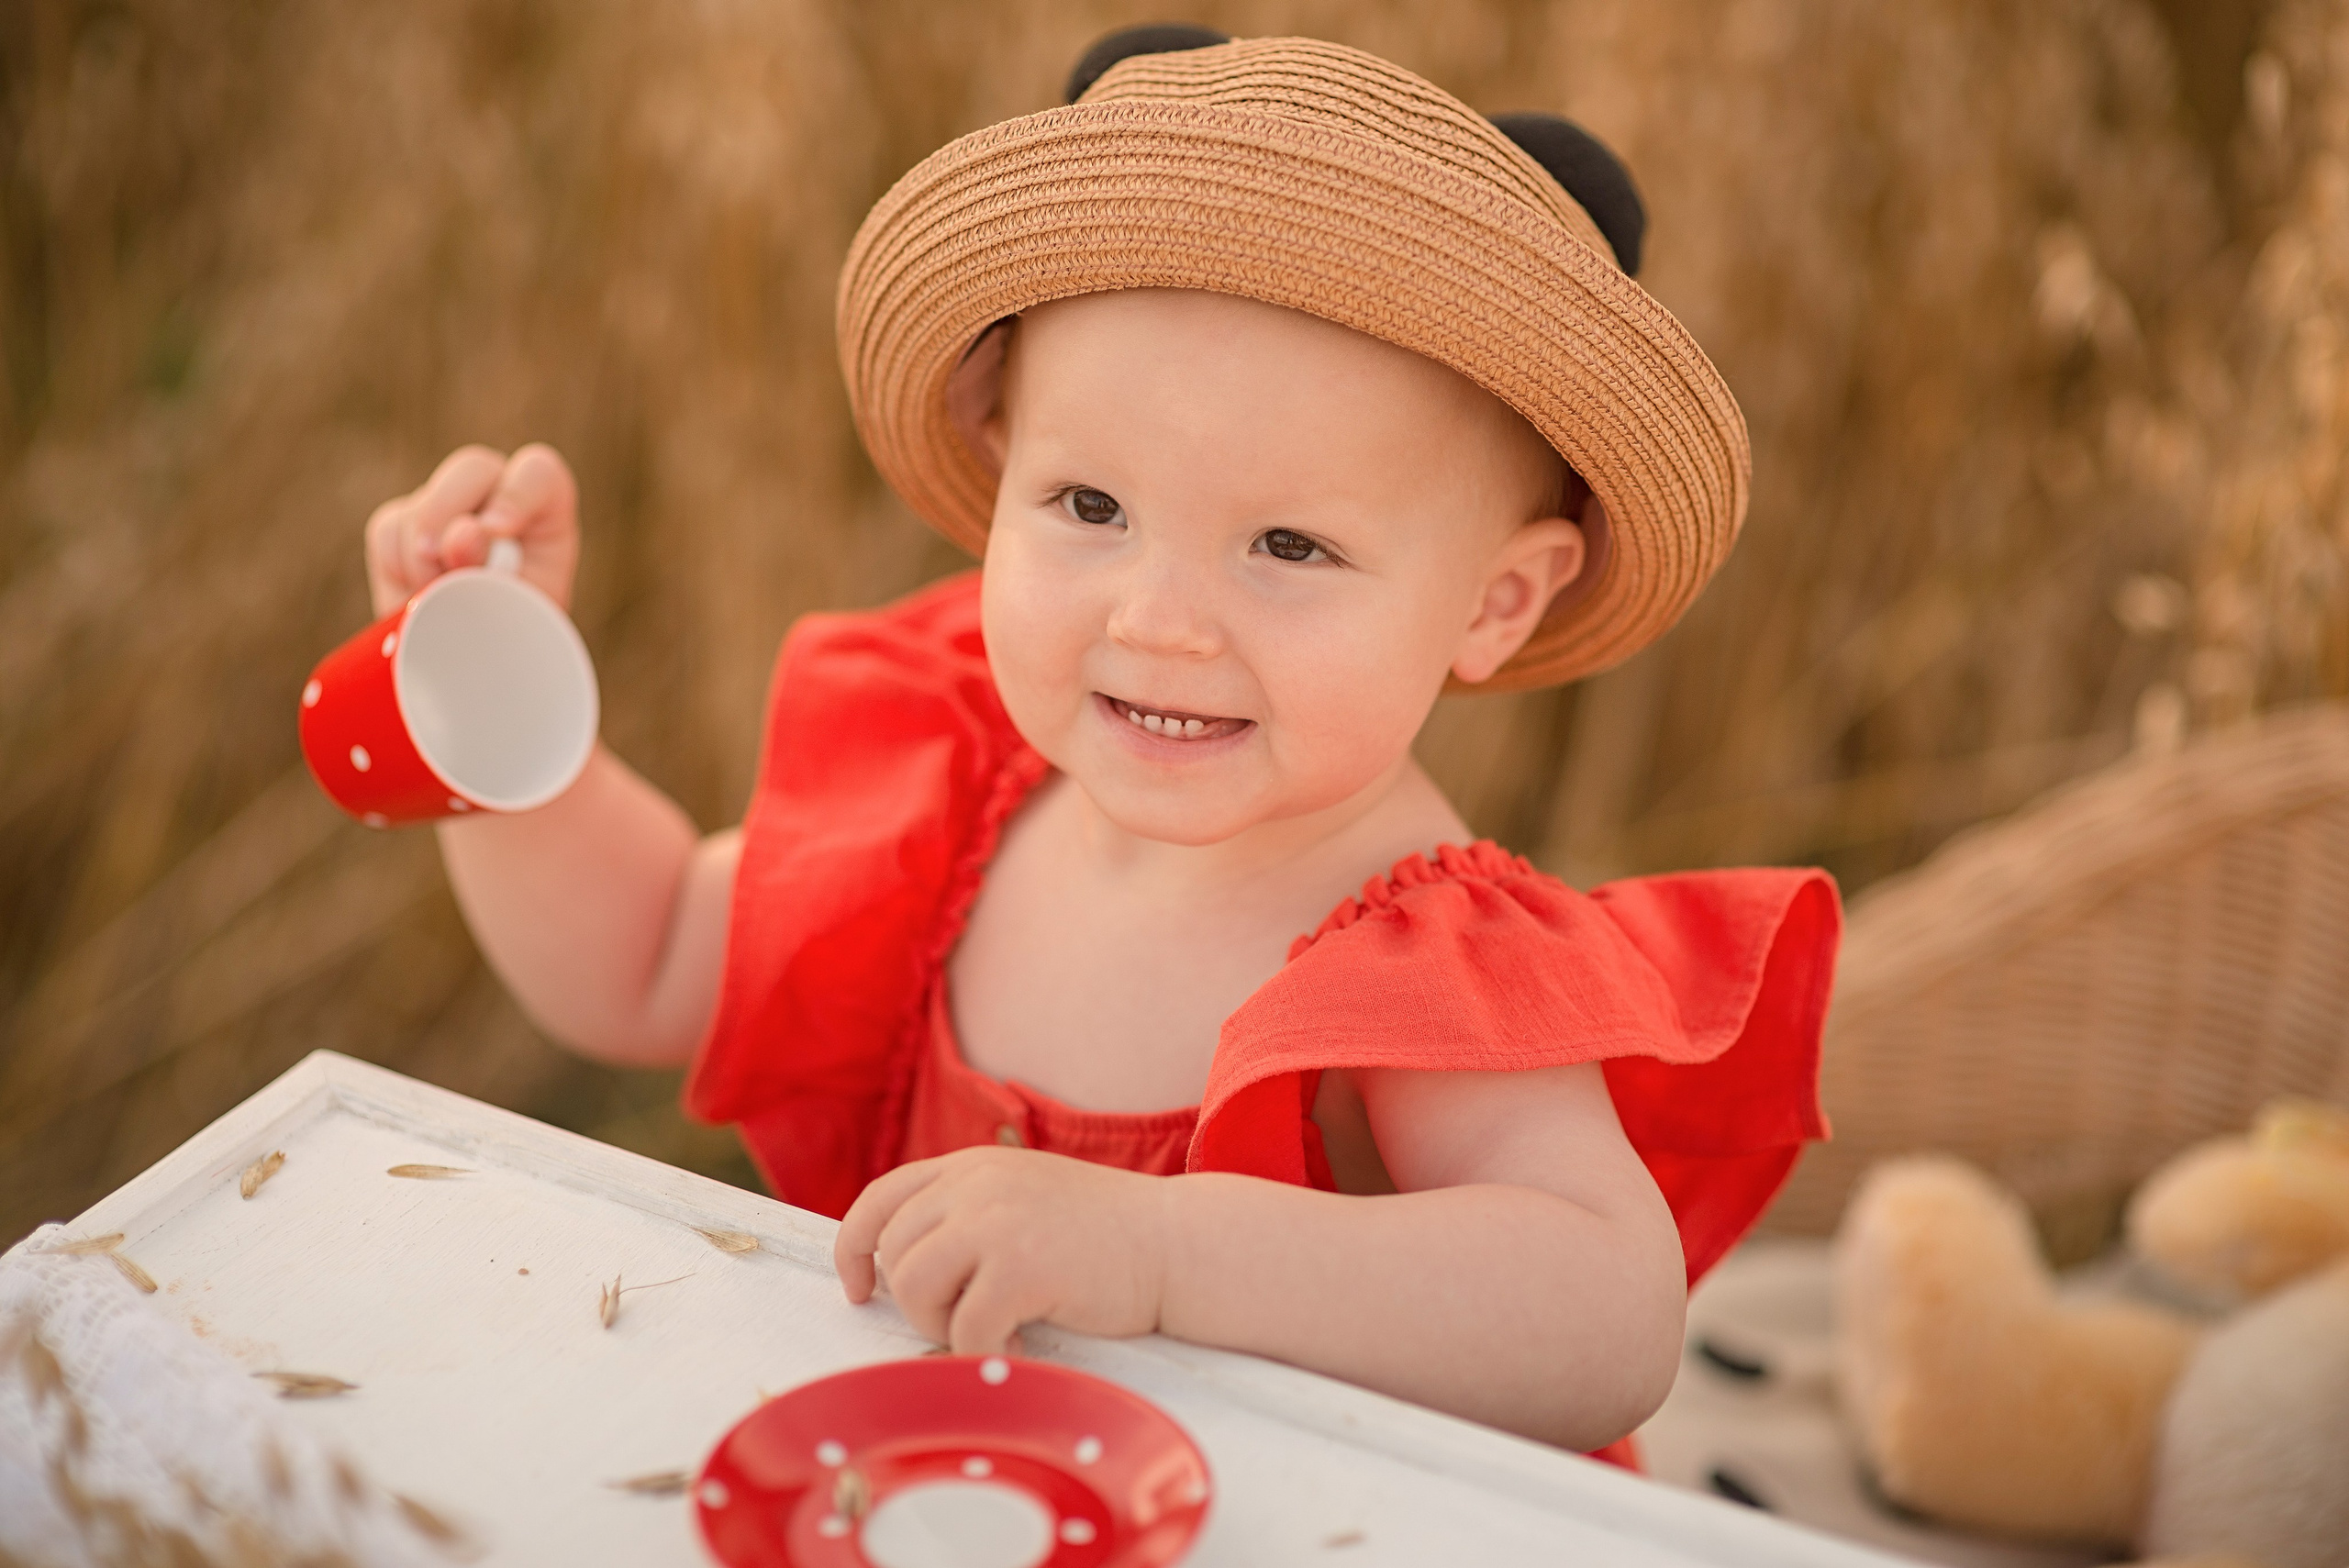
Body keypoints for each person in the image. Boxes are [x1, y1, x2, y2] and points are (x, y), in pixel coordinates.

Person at [355, 29, 1839, 1461]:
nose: (1161, 620)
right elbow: (645, 958)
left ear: (1495, 602)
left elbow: (1606, 1311)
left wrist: (1161, 1249)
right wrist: (485, 698)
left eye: (1290, 545)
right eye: (1091, 507)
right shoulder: (955, 811)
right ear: (1002, 457)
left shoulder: (1421, 963)